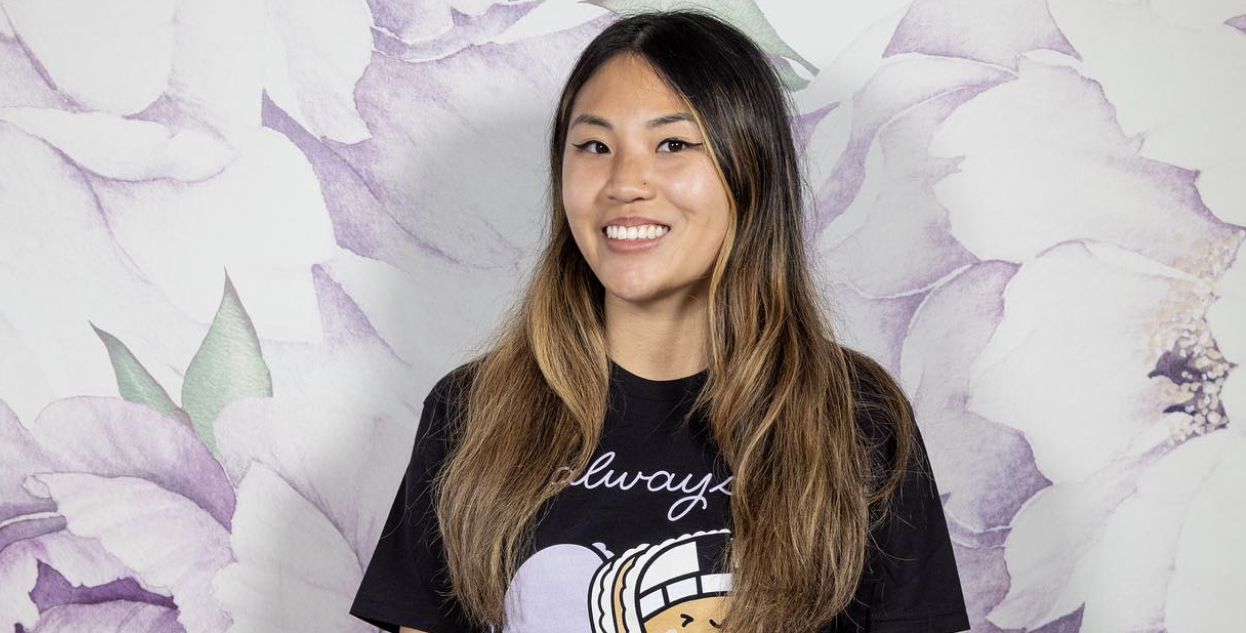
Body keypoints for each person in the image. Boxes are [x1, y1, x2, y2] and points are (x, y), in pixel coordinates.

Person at [349, 8, 970, 633]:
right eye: (594, 146)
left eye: (672, 144)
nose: (624, 182)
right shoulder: (472, 413)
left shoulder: (858, 418)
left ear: (748, 169)